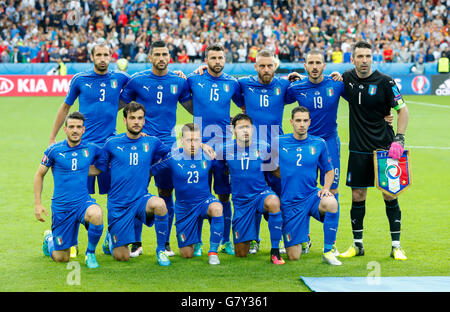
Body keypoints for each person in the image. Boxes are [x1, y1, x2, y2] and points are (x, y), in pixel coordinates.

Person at [119, 40, 192, 258]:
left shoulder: (178, 82)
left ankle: (166, 243)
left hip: (167, 149)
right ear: (149, 57)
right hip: (141, 146)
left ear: (170, 57)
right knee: (136, 192)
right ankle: (136, 243)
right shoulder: (137, 81)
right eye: (157, 54)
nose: (161, 58)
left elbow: (193, 107)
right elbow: (118, 105)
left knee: (166, 193)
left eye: (165, 54)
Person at [338, 41, 409, 261]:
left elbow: (402, 110)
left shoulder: (386, 82)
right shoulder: (347, 78)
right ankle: (357, 244)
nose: (364, 60)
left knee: (389, 194)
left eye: (368, 56)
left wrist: (399, 138)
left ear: (373, 58)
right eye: (360, 56)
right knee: (358, 196)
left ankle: (396, 246)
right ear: (352, 59)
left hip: (385, 150)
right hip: (358, 149)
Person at [89, 102, 172, 266]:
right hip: (119, 205)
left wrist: (153, 169)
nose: (136, 122)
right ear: (124, 120)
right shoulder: (112, 143)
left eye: (140, 118)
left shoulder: (152, 142)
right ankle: (111, 239)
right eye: (132, 118)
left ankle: (161, 250)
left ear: (144, 120)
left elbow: (173, 154)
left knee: (161, 204)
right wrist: (73, 167)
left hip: (141, 199)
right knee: (122, 257)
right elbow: (99, 169)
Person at [183, 43, 243, 256]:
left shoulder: (232, 83)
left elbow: (243, 106)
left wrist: (234, 124)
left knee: (224, 196)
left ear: (224, 60)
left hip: (224, 150)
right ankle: (197, 241)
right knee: (198, 194)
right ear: (205, 60)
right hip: (198, 148)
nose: (217, 62)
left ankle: (225, 240)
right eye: (213, 58)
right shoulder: (194, 79)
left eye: (220, 58)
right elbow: (182, 96)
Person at [285, 49, 346, 256]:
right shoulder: (296, 87)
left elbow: (359, 100)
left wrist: (385, 116)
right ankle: (305, 238)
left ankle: (332, 242)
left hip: (329, 142)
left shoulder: (336, 84)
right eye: (310, 63)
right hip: (305, 145)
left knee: (332, 192)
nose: (314, 66)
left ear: (324, 65)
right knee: (303, 190)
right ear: (305, 66)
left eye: (318, 62)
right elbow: (276, 98)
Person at [236, 49, 294, 254]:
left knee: (283, 197)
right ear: (256, 67)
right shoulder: (244, 84)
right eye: (262, 66)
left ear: (275, 67)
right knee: (255, 196)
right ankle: (254, 239)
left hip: (278, 152)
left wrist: (299, 77)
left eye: (270, 65)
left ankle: (292, 238)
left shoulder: (284, 85)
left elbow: (305, 88)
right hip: (252, 153)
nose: (266, 69)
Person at [34, 112, 104, 269]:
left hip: (82, 203)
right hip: (62, 207)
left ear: (83, 130)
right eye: (71, 127)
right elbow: (39, 175)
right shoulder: (54, 150)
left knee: (97, 214)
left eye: (78, 127)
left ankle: (90, 254)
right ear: (65, 129)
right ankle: (50, 239)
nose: (75, 130)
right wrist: (38, 204)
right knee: (62, 258)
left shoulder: (91, 149)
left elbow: (104, 161)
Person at [274, 106, 341, 265]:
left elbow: (329, 171)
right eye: (298, 120)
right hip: (290, 203)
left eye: (305, 120)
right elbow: (269, 168)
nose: (302, 124)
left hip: (312, 197)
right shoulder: (278, 142)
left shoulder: (319, 143)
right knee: (293, 256)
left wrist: (325, 189)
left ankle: (328, 251)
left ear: (310, 122)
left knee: (331, 202)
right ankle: (303, 238)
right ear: (291, 122)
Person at [214, 114, 285, 264]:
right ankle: (247, 238)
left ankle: (275, 251)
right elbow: (218, 169)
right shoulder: (224, 150)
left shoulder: (263, 146)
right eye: (240, 127)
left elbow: (274, 171)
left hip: (261, 195)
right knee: (241, 253)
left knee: (273, 202)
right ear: (233, 130)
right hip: (241, 203)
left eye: (247, 127)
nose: (245, 130)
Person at [151, 123, 224, 265]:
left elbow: (226, 167)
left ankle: (213, 252)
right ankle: (196, 241)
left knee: (217, 208)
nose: (192, 144)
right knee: (186, 254)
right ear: (182, 140)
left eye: (196, 140)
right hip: (184, 209)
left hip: (204, 202)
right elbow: (151, 170)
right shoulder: (172, 157)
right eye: (189, 140)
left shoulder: (208, 155)